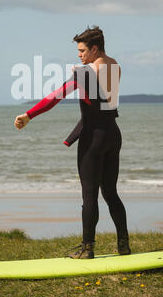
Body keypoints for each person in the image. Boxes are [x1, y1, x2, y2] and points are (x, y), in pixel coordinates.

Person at [14, 26, 130, 258]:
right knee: (110, 193)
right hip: (112, 135)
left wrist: (29, 115)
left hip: (93, 139)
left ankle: (87, 248)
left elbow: (55, 97)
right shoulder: (115, 65)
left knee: (89, 195)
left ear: (94, 49)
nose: (79, 55)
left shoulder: (85, 72)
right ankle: (123, 244)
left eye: (82, 50)